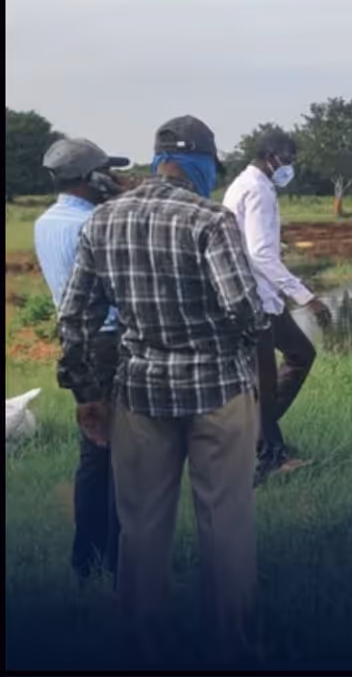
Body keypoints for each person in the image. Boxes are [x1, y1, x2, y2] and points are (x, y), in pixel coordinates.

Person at [56, 115, 266, 668]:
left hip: (140, 391)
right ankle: (227, 646)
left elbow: (76, 315)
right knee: (225, 519)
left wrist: (86, 392)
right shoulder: (211, 219)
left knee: (142, 524)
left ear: (156, 161)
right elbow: (244, 309)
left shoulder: (102, 221)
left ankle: (141, 645)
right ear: (199, 165)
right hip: (217, 389)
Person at [35, 137, 130, 581]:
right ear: (93, 178)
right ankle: (111, 559)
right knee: (120, 454)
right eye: (107, 172)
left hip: (76, 342)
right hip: (107, 342)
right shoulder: (97, 224)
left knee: (95, 451)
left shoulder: (45, 222)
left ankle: (87, 558)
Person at [222, 128, 332, 485]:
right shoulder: (256, 189)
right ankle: (267, 455)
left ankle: (258, 436)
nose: (290, 168)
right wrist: (307, 297)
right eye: (288, 161)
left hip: (264, 297)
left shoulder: (251, 185)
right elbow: (260, 254)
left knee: (299, 354)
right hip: (253, 300)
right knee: (264, 384)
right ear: (272, 158)